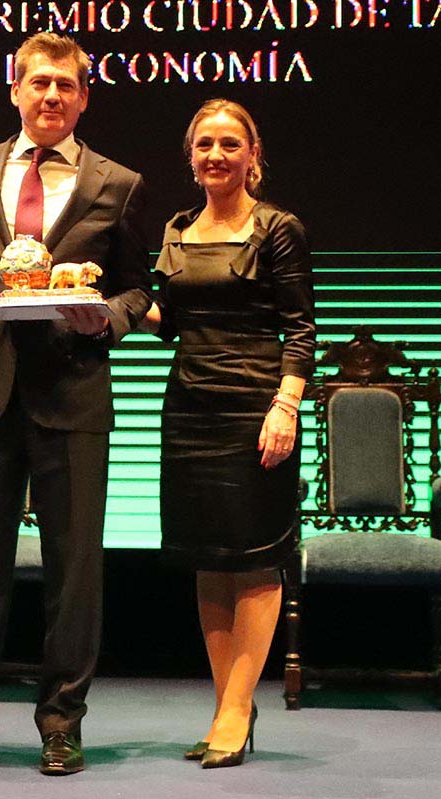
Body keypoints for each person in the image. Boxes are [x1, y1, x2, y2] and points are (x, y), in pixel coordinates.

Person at [0, 32, 151, 776]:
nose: (52, 95)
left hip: (73, 393)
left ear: (84, 98)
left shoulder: (118, 183)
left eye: (66, 85)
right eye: (39, 82)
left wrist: (106, 320)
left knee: (73, 573)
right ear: (15, 89)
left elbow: (137, 288)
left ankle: (61, 722)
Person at [145, 99, 315, 768]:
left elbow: (300, 329)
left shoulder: (278, 228)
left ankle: (238, 709)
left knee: (253, 558)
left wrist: (285, 406)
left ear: (252, 155)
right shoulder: (177, 228)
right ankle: (227, 708)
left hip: (254, 409)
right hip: (188, 408)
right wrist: (105, 307)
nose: (215, 155)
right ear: (190, 157)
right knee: (208, 557)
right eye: (204, 144)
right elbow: (168, 321)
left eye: (229, 144)